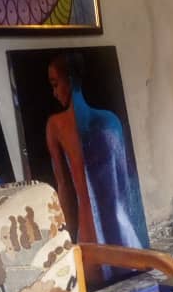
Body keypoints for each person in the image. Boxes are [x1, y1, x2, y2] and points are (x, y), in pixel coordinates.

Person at [45, 53, 148, 253]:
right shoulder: (110, 119)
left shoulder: (56, 125)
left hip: (96, 230)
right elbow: (126, 184)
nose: (54, 93)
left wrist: (66, 238)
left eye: (56, 84)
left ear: (70, 80)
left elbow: (64, 187)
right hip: (119, 227)